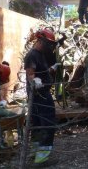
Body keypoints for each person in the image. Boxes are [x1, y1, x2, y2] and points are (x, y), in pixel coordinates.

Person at [24, 28, 59, 164]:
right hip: (40, 95)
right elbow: (30, 74)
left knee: (37, 123)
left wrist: (51, 69)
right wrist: (35, 81)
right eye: (48, 43)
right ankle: (42, 158)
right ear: (40, 40)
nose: (49, 46)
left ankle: (35, 154)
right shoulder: (32, 55)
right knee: (48, 123)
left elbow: (41, 70)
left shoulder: (40, 54)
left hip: (40, 95)